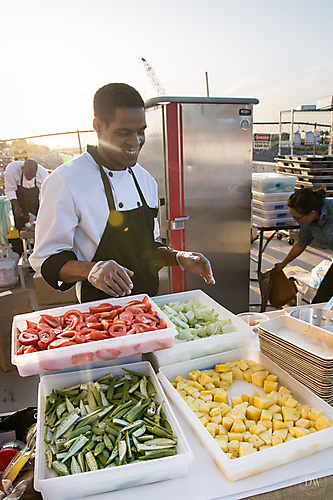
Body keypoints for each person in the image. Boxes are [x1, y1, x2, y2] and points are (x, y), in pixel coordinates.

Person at [29, 83, 215, 302]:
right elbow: (47, 260)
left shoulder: (145, 179)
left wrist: (179, 257)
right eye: (123, 133)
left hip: (149, 306)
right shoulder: (65, 181)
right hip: (99, 313)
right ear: (98, 126)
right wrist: (91, 270)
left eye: (141, 132)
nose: (135, 142)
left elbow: (148, 248)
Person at [274, 187, 333, 304]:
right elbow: (301, 244)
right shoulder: (309, 221)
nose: (296, 222)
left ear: (312, 213)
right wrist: (283, 264)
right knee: (320, 301)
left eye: (297, 218)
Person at [5, 158, 49, 231]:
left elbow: (45, 193)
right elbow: (10, 190)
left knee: (39, 225)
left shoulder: (43, 174)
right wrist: (16, 207)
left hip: (35, 200)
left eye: (32, 177)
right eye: (27, 176)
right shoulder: (12, 169)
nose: (29, 179)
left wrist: (42, 209)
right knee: (20, 226)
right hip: (19, 200)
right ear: (22, 169)